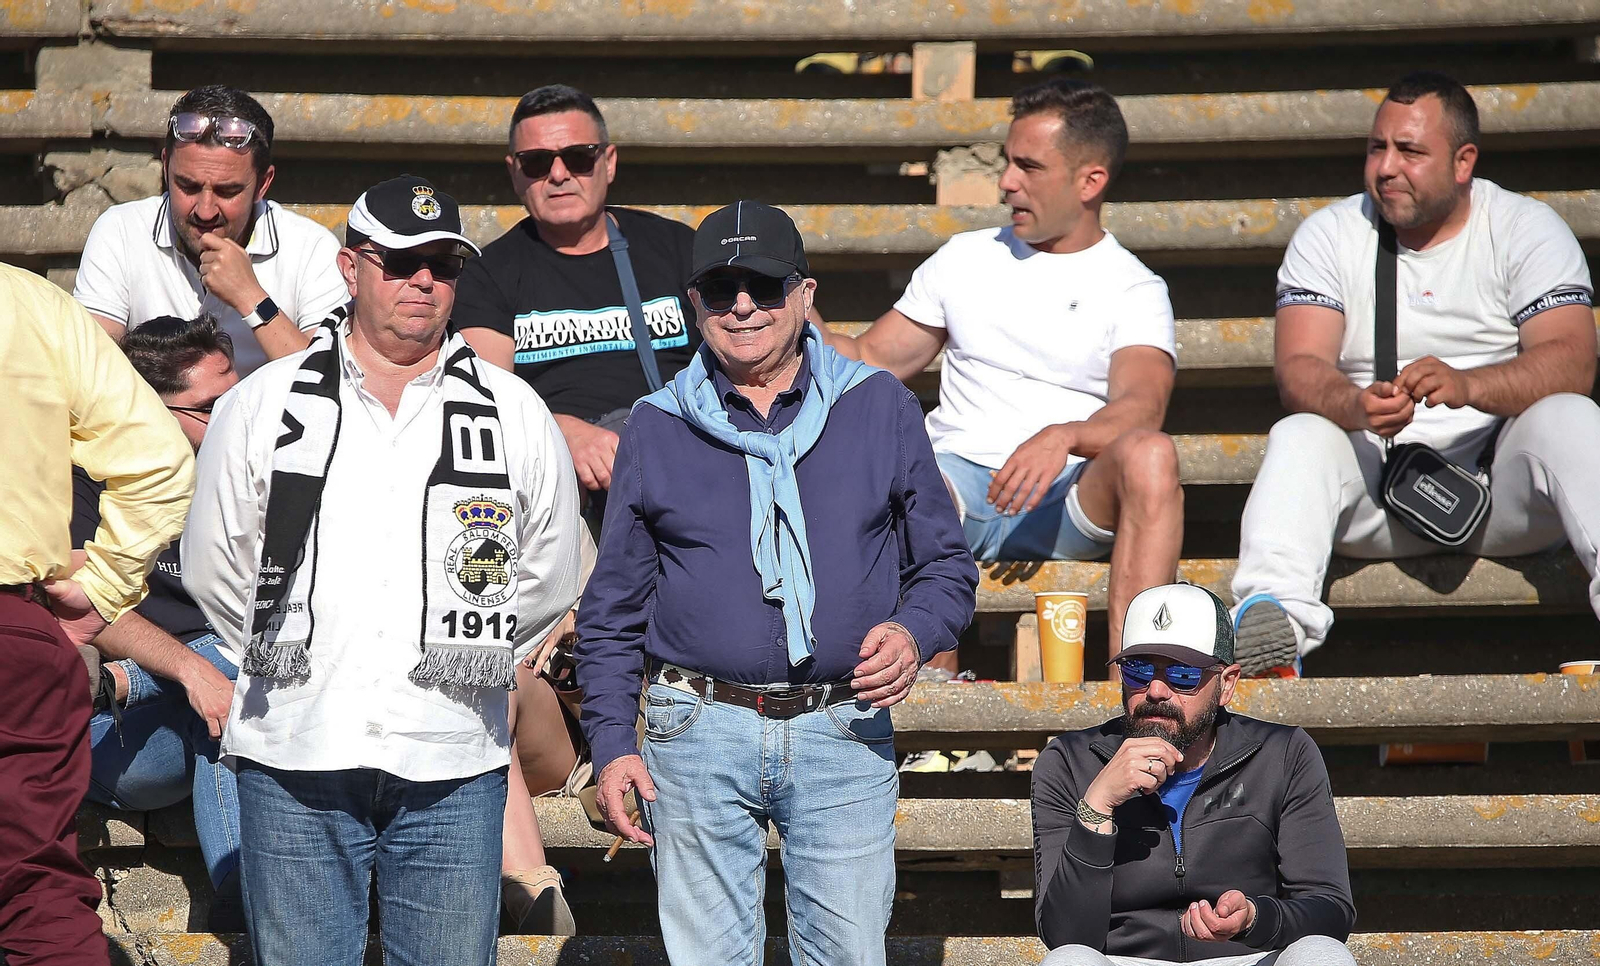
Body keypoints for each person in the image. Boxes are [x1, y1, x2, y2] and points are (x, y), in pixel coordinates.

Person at [182, 175, 582, 965]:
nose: (424, 280)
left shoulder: (514, 410)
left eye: (444, 264)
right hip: (296, 743)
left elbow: (549, 567)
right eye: (401, 262)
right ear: (349, 268)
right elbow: (215, 564)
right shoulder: (263, 403)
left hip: (452, 750)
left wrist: (473, 651)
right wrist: (292, 651)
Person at [576, 201, 978, 966]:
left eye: (763, 285)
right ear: (693, 303)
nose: (742, 306)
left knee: (846, 956)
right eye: (720, 289)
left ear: (804, 294)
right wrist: (611, 742)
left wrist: (913, 631)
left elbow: (946, 568)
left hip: (842, 722)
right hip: (695, 727)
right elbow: (613, 606)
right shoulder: (657, 424)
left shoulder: (877, 404)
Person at [1230, 71, 1597, 677]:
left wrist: (1471, 386)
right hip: (1375, 491)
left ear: (1463, 162)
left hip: (1500, 493)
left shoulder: (1526, 228)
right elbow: (1299, 367)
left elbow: (1574, 360)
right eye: (1377, 147)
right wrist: (1354, 405)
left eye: (1410, 151)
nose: (1386, 168)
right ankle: (1272, 637)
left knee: (1572, 416)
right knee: (1300, 433)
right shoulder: (1331, 234)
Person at [825, 77, 1181, 656]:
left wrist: (1064, 436)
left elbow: (1143, 407)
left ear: (1091, 181)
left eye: (1029, 167)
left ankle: (1138, 688)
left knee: (1152, 454)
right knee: (905, 478)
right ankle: (924, 692)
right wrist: (792, 304)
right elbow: (869, 360)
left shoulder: (1134, 287)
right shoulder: (965, 258)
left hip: (1067, 497)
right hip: (952, 487)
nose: (1006, 182)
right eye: (1007, 162)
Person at [0, 261, 194, 966]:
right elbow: (160, 459)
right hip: (15, 629)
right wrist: (104, 587)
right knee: (36, 890)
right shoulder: (29, 301)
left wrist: (104, 586)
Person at [1032, 583, 1358, 966]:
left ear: (1226, 684)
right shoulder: (1069, 762)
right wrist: (1098, 806)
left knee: (1323, 956)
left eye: (1182, 674)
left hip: (1248, 958)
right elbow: (1066, 937)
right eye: (1138, 670)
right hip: (1123, 961)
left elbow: (1330, 911)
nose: (1156, 690)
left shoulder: (1283, 754)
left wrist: (1255, 918)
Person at [70, 315, 244, 930]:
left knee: (228, 707)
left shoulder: (248, 470)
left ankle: (243, 904)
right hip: (114, 735)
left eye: (238, 397)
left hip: (212, 702)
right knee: (227, 686)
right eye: (211, 408)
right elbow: (86, 606)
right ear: (150, 411)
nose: (233, 417)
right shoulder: (87, 482)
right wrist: (190, 670)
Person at [454, 84, 700, 512]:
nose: (558, 174)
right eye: (536, 162)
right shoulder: (488, 274)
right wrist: (562, 432)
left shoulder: (680, 248)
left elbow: (784, 340)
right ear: (514, 172)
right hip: (562, 489)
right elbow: (487, 400)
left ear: (609, 162)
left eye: (579, 157)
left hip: (686, 468)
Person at [73, 84, 348, 374]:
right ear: (165, 167)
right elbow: (90, 371)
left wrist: (250, 297)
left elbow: (327, 383)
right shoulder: (121, 231)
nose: (205, 211)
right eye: (187, 186)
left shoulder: (312, 248)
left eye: (227, 191)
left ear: (263, 184)